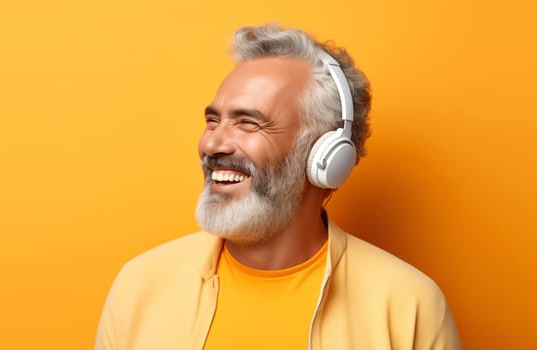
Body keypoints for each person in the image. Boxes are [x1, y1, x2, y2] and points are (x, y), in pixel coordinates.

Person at [95, 24, 461, 350]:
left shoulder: (409, 305)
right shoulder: (139, 286)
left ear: (325, 156)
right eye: (212, 121)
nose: (212, 145)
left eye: (248, 123)